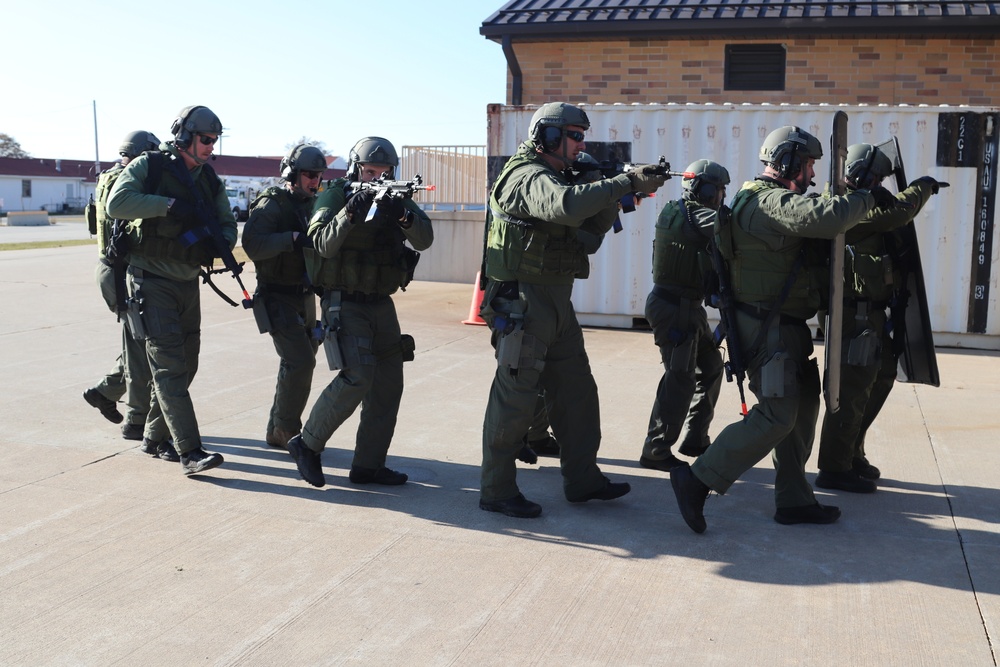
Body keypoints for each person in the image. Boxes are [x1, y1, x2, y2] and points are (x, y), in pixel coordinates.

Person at [669, 125, 892, 532]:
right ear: (787, 161)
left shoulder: (771, 199)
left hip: (785, 327)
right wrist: (865, 195)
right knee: (776, 415)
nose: (811, 175)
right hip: (767, 330)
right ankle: (697, 479)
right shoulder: (768, 200)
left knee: (803, 410)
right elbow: (827, 218)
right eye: (808, 165)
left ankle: (793, 499)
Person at [478, 102, 667, 518]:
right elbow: (563, 205)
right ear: (548, 135)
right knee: (514, 399)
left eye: (583, 136)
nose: (581, 144)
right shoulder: (526, 176)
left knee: (577, 393)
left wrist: (621, 195)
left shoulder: (563, 177)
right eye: (575, 135)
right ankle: (496, 488)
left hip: (556, 301)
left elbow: (584, 237)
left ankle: (582, 480)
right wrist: (620, 183)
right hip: (522, 302)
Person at [286, 137, 433, 488]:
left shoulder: (398, 198)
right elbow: (322, 243)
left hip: (381, 301)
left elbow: (425, 239)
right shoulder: (335, 194)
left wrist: (403, 214)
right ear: (355, 169)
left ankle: (369, 465)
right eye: (370, 172)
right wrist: (350, 212)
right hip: (344, 299)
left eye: (383, 173)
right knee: (358, 375)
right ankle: (306, 444)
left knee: (388, 384)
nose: (376, 179)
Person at [106, 105, 236, 474]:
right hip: (151, 279)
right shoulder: (150, 165)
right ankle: (189, 451)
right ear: (185, 136)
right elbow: (118, 202)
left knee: (188, 363)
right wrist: (168, 205)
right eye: (206, 139)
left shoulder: (208, 179)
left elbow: (227, 222)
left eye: (215, 140)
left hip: (186, 279)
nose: (212, 147)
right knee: (169, 368)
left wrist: (218, 242)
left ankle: (153, 435)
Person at [815, 143, 941, 493]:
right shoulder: (843, 206)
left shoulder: (861, 201)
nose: (880, 184)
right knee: (852, 391)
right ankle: (834, 467)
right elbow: (899, 212)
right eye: (875, 178)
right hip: (851, 315)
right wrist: (923, 186)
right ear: (859, 175)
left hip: (869, 314)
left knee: (882, 375)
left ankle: (851, 451)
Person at [640, 159, 728, 472]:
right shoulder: (691, 214)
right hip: (674, 309)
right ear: (701, 189)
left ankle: (695, 437)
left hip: (689, 307)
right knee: (680, 380)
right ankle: (656, 450)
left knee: (712, 366)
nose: (721, 195)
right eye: (717, 189)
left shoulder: (679, 210)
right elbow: (727, 225)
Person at [242, 143, 327, 449]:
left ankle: (276, 429)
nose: (314, 180)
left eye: (318, 175)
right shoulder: (272, 204)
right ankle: (288, 430)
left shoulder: (314, 203)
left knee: (297, 363)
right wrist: (290, 238)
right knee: (300, 362)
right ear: (293, 173)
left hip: (304, 295)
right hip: (276, 295)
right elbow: (251, 244)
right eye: (308, 175)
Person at [82, 131, 159, 441]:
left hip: (110, 270)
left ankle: (105, 392)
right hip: (122, 273)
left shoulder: (107, 178)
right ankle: (136, 419)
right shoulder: (127, 182)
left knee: (137, 342)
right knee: (141, 347)